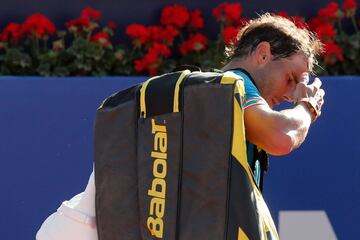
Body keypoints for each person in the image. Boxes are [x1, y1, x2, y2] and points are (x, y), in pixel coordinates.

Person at [36, 13, 325, 239]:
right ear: (262, 54)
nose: (291, 94)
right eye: (291, 78)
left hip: (74, 228)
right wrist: (307, 106)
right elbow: (281, 136)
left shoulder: (208, 95)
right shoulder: (236, 85)